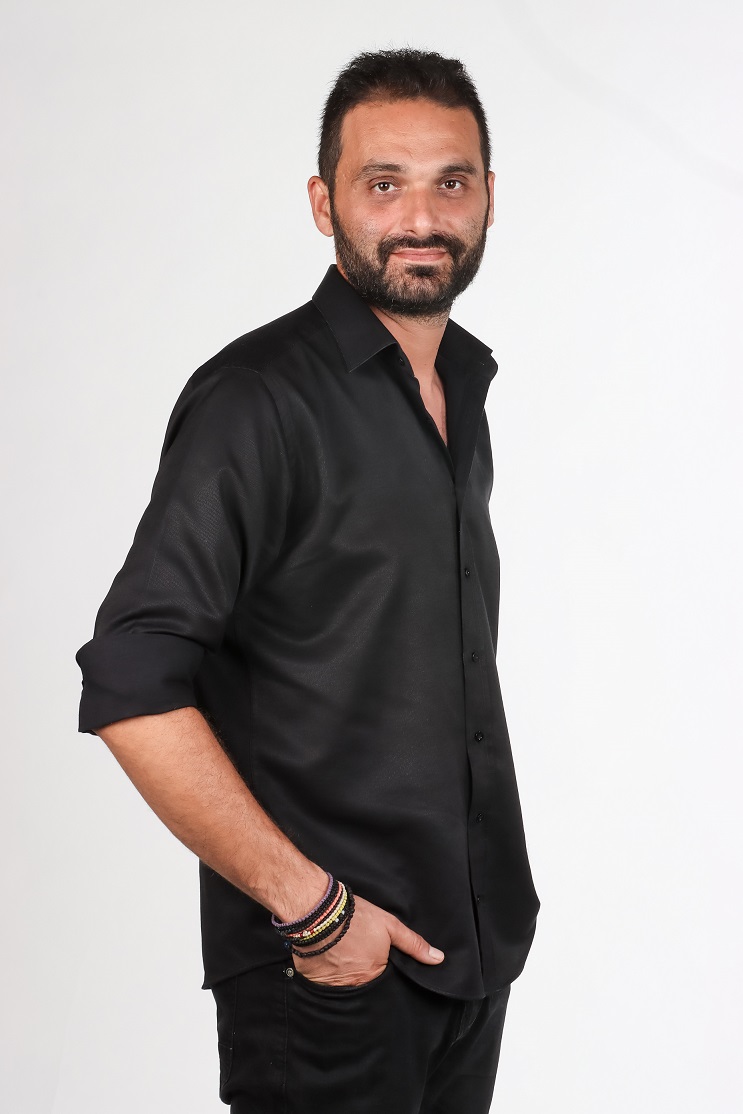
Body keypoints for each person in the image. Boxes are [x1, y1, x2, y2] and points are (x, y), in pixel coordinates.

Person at [75, 48, 540, 1113]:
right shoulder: (257, 399)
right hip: (328, 979)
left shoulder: (458, 388)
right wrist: (319, 916)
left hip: (468, 955)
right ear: (324, 203)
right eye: (383, 183)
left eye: (450, 182)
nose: (420, 217)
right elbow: (131, 684)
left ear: (488, 197)